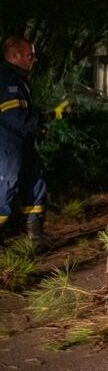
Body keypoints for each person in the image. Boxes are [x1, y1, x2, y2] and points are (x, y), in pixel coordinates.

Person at [0, 36, 47, 248]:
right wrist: (39, 121)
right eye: (30, 55)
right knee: (5, 190)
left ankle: (35, 241)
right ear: (15, 55)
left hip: (22, 144)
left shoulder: (18, 79)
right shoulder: (8, 80)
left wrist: (38, 126)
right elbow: (15, 117)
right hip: (8, 147)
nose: (34, 59)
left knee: (36, 184)